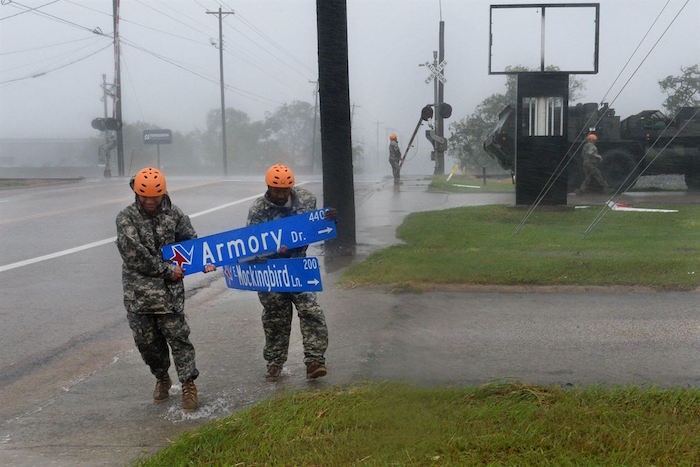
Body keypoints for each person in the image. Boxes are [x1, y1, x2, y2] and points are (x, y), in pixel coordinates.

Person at [116, 167, 215, 412]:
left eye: (155, 197)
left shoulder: (174, 215)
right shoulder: (126, 218)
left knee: (179, 339)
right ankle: (161, 376)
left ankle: (188, 384)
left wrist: (203, 261)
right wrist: (166, 270)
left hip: (169, 295)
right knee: (148, 344)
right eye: (144, 196)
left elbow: (191, 242)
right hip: (139, 296)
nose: (150, 201)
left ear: (163, 193)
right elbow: (134, 256)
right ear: (136, 193)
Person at [247, 163, 331, 380]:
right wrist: (273, 250)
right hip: (271, 270)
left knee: (311, 311)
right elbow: (249, 247)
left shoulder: (307, 200)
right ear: (268, 188)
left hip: (297, 266)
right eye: (277, 191)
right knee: (276, 317)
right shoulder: (258, 210)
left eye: (285, 190)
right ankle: (274, 362)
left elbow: (315, 227)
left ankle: (314, 361)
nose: (281, 195)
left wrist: (328, 220)